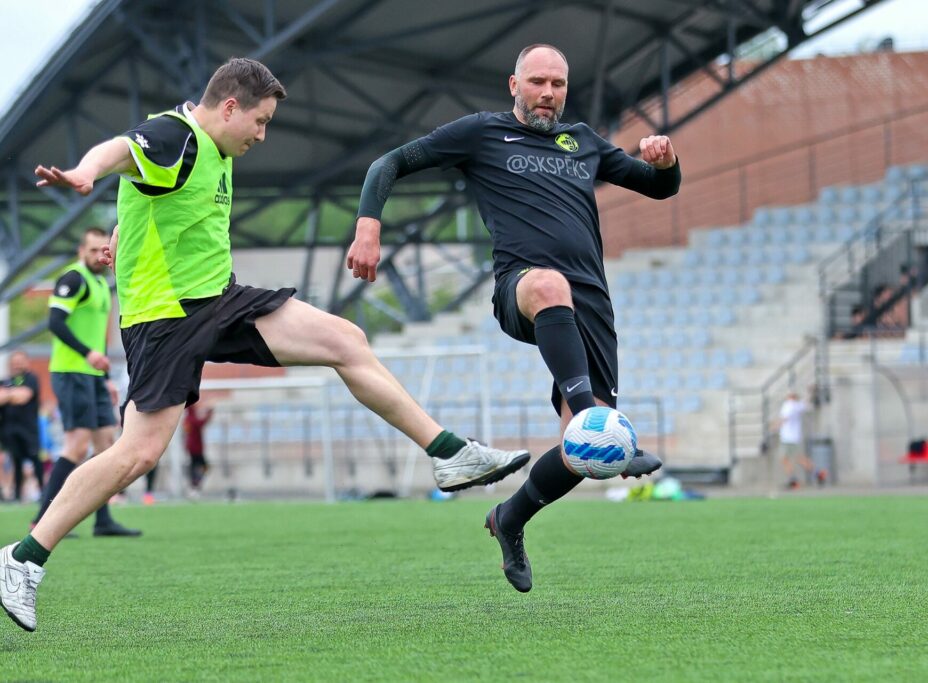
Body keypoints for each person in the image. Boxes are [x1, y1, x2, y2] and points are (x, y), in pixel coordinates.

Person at [1, 57, 530, 633]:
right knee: (136, 455)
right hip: (167, 321)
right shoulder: (176, 135)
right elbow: (122, 151)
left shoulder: (217, 153)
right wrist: (84, 172)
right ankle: (21, 559)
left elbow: (153, 205)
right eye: (260, 120)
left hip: (218, 299)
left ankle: (448, 453)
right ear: (229, 107)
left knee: (345, 339)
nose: (262, 134)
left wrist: (128, 229)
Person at [349, 44, 681, 592]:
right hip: (521, 286)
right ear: (514, 85)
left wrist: (667, 163)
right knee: (552, 290)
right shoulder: (482, 133)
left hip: (591, 303)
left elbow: (658, 187)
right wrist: (368, 225)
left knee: (584, 458)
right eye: (537, 82)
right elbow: (389, 163)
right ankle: (590, 419)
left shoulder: (584, 142)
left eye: (557, 84)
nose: (547, 93)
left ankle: (510, 518)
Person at [31, 227, 141, 537]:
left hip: (93, 376)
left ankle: (103, 521)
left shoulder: (101, 284)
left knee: (106, 445)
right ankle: (42, 519)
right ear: (81, 250)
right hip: (71, 372)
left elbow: (99, 338)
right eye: (91, 250)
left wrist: (104, 376)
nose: (97, 255)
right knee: (77, 446)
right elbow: (55, 322)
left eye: (101, 250)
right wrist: (88, 354)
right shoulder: (73, 278)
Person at [0, 352, 45, 502]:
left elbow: (24, 396)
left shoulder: (31, 379)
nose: (17, 364)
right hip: (9, 429)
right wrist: (13, 394)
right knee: (16, 461)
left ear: (26, 362)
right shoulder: (5, 380)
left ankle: (43, 492)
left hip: (29, 428)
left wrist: (8, 395)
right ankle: (17, 495)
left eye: (20, 361)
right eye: (14, 361)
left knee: (35, 459)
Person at [775, 391, 818, 489]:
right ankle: (794, 479)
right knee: (789, 458)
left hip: (789, 438)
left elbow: (784, 418)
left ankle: (815, 475)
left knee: (794, 459)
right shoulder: (796, 405)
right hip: (790, 437)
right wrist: (810, 393)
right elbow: (806, 404)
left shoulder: (789, 405)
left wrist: (776, 425)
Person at [183, 401, 213, 497]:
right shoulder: (192, 419)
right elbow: (201, 423)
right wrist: (209, 414)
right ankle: (195, 484)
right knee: (203, 466)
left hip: (192, 448)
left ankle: (194, 485)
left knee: (196, 466)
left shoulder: (188, 419)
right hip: (196, 448)